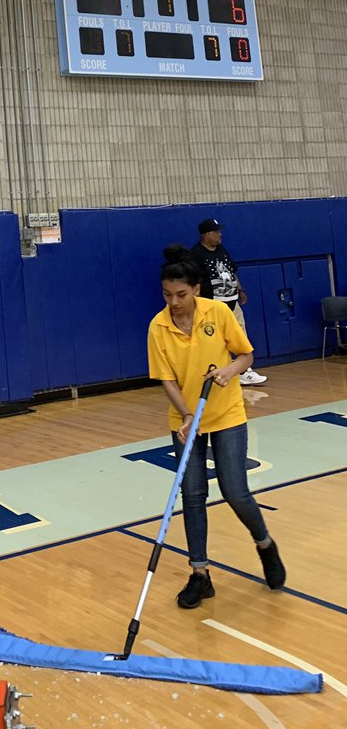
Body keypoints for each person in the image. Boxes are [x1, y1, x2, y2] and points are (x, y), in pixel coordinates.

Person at [147, 246, 285, 610]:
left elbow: (245, 356)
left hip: (225, 414)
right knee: (192, 496)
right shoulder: (158, 327)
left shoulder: (219, 312)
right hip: (185, 420)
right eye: (166, 294)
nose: (173, 301)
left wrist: (228, 371)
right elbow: (167, 380)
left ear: (195, 289)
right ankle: (200, 574)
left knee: (235, 491)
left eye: (180, 294)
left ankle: (265, 544)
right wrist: (187, 415)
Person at [191, 217, 266, 386]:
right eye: (217, 232)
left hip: (232, 301)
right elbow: (193, 282)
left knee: (241, 334)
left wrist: (240, 289)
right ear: (207, 234)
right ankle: (220, 371)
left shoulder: (221, 249)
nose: (220, 234)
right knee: (216, 339)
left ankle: (244, 371)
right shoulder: (195, 254)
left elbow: (231, 271)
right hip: (214, 304)